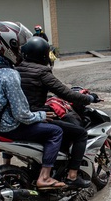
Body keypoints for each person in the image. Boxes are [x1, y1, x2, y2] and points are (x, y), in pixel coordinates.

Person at [0, 21, 66, 189]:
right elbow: (22, 115)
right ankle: (45, 177)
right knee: (56, 131)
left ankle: (7, 164)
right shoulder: (9, 74)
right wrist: (41, 115)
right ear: (7, 45)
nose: (20, 50)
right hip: (8, 127)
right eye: (17, 46)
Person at [16, 36, 102, 189]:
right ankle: (72, 176)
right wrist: (89, 98)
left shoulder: (16, 69)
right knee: (80, 133)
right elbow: (66, 93)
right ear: (43, 55)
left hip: (18, 118)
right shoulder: (42, 71)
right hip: (35, 118)